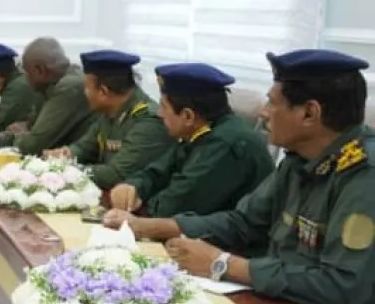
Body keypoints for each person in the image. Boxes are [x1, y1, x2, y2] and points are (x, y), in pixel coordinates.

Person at [110, 50, 375, 304]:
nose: (263, 113)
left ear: (309, 113)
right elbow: (244, 222)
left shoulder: (363, 175)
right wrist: (150, 227)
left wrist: (224, 264)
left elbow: (340, 287)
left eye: (273, 103)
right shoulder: (300, 159)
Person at [104, 63, 274, 219]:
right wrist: (132, 187)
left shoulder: (225, 144)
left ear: (187, 116)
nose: (160, 114)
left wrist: (136, 205)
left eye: (164, 107)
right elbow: (157, 172)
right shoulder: (201, 132)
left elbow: (171, 208)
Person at [48, 50, 172, 190]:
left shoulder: (148, 121)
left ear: (103, 92)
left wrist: (65, 170)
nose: (85, 94)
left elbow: (115, 175)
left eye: (87, 88)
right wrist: (66, 154)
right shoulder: (109, 112)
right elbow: (84, 147)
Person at [0, 37, 93, 155]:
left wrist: (12, 138)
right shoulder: (48, 85)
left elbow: (34, 144)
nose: (26, 79)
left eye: (27, 73)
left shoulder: (69, 87)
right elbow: (30, 126)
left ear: (40, 70)